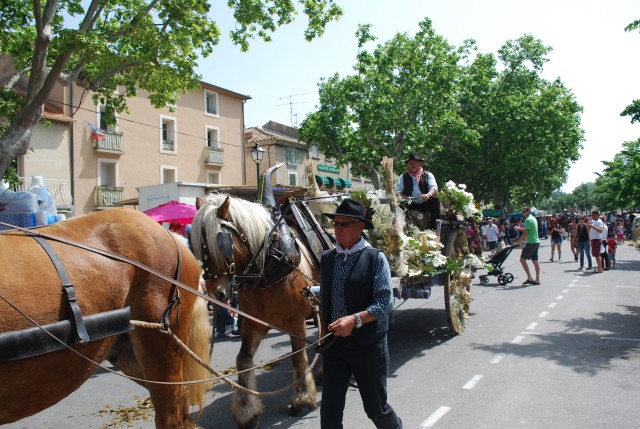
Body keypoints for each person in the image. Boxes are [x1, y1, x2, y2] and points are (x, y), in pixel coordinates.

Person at [320, 199, 402, 429]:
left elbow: (385, 302)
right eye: (336, 224)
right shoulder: (328, 259)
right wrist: (322, 333)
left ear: (360, 227)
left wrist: (354, 320)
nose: (338, 229)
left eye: (345, 224)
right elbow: (324, 302)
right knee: (330, 411)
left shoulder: (375, 258)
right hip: (334, 346)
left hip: (367, 346)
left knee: (376, 409)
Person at [396, 153, 439, 231]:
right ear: (408, 165)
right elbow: (398, 191)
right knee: (400, 203)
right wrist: (405, 197)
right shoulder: (403, 177)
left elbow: (434, 187)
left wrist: (428, 195)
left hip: (425, 202)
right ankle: (405, 229)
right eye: (410, 163)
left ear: (420, 164)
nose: (412, 165)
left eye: (414, 163)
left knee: (435, 200)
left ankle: (434, 228)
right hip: (409, 203)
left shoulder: (428, 175)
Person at [515, 207, 540, 285]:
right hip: (536, 241)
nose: (523, 213)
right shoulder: (533, 218)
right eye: (522, 212)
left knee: (522, 260)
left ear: (529, 211)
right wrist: (520, 228)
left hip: (531, 242)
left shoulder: (528, 220)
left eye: (524, 211)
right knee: (535, 261)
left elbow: (525, 233)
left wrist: (519, 241)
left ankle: (529, 277)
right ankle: (537, 279)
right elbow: (528, 230)